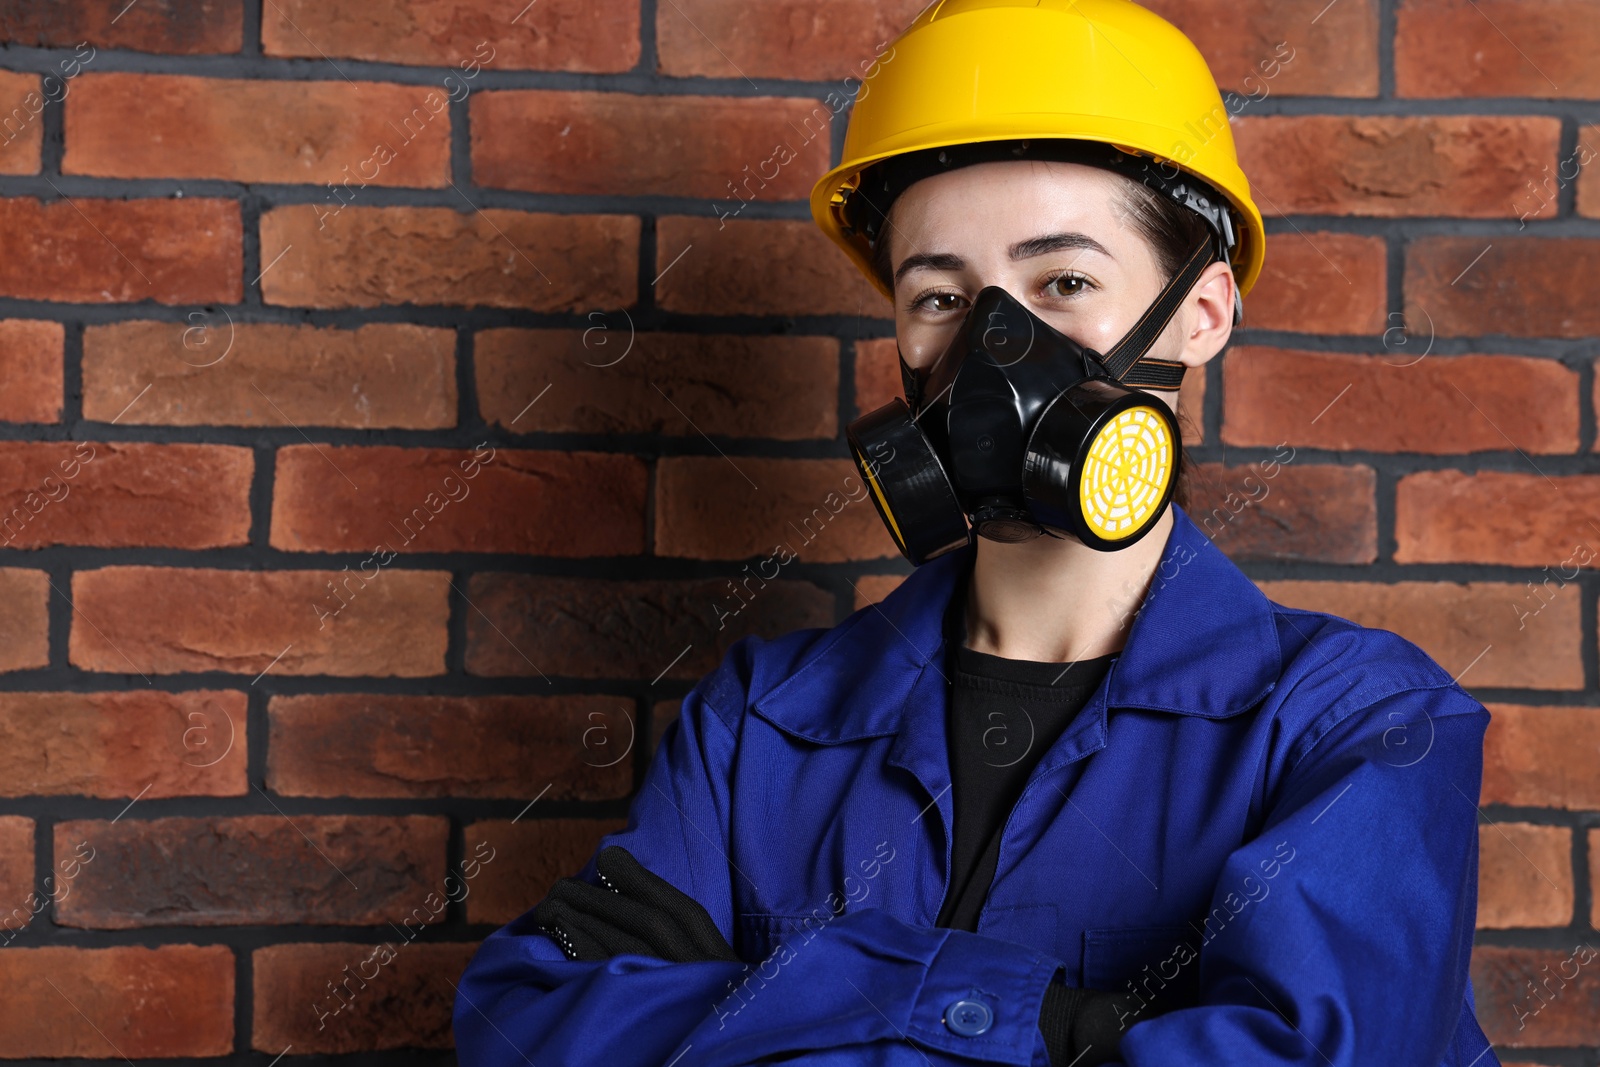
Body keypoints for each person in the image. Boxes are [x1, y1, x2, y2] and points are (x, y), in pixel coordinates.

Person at [453, 1, 1499, 1064]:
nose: (996, 349)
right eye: (940, 297)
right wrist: (1058, 1025)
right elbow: (530, 1020)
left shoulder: (1356, 726)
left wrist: (766, 1001)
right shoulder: (761, 724)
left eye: (1066, 282)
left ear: (1203, 312)